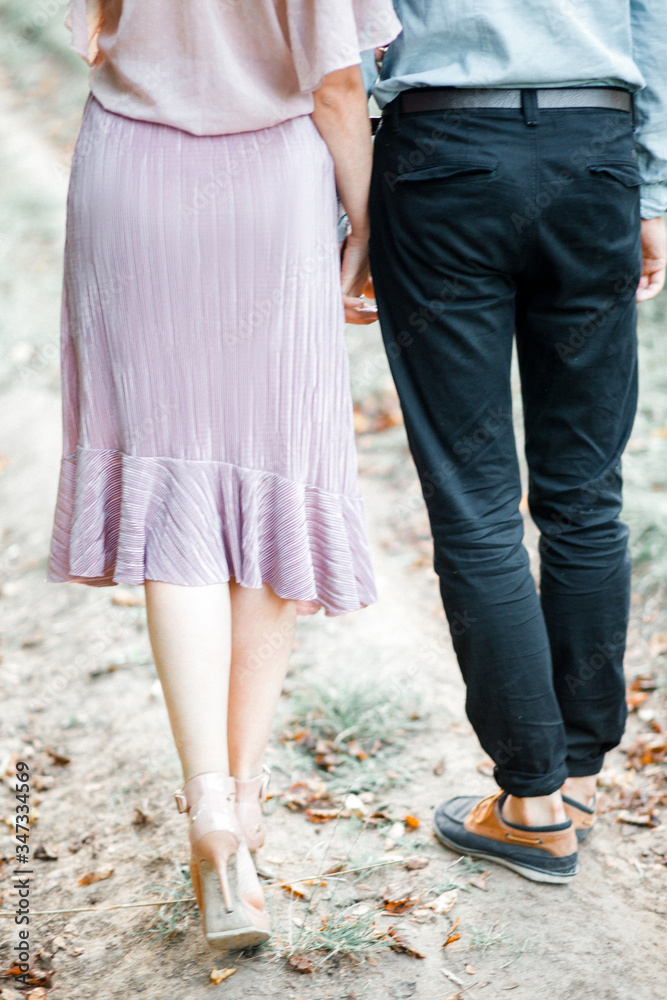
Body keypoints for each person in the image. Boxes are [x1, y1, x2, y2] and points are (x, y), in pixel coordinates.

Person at [49, 0, 401, 950]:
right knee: (268, 478)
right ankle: (242, 811)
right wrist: (368, 225)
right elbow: (334, 85)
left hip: (132, 171)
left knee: (177, 506)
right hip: (267, 192)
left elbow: (89, 29)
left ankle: (210, 804)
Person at [368, 1, 667, 883]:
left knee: (474, 502)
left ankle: (532, 803)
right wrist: (651, 191)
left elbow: (343, 30)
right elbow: (651, 19)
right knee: (584, 493)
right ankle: (570, 778)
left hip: (442, 155)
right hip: (592, 146)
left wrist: (346, 212)